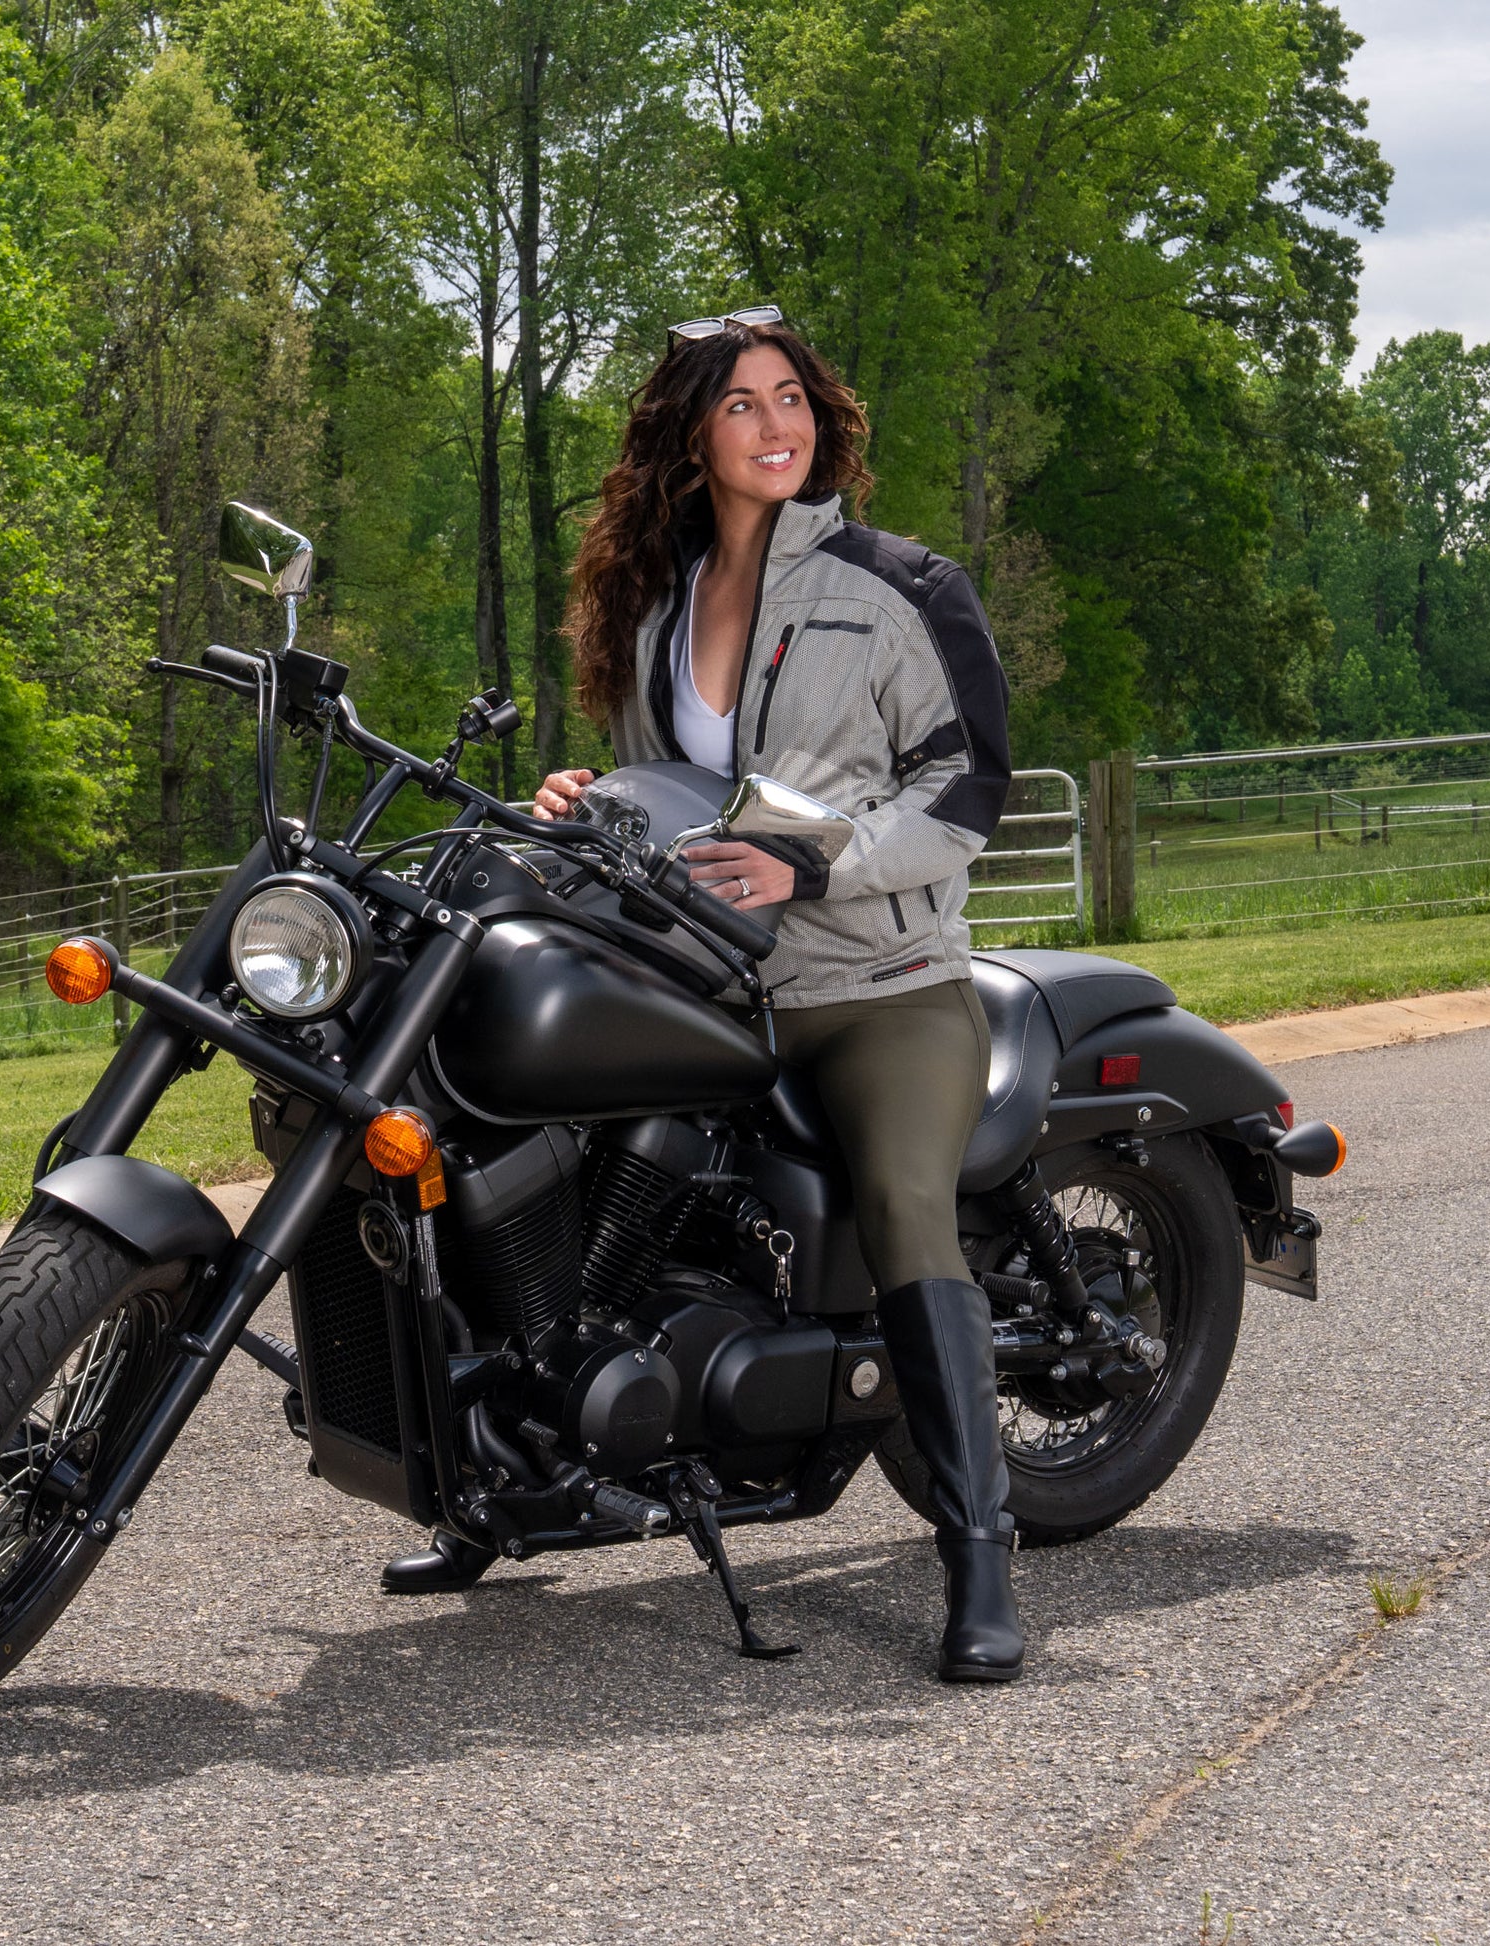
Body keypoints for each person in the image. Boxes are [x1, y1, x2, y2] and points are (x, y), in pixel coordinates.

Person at [546, 307, 1019, 1682]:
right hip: (710, 986)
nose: (776, 426)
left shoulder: (898, 586)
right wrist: (587, 798)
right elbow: (667, 787)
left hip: (879, 983)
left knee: (900, 1207)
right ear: (690, 433)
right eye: (743, 404)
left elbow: (966, 784)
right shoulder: (657, 599)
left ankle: (978, 1552)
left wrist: (810, 874)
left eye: (791, 398)